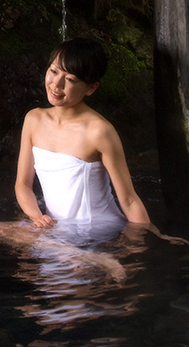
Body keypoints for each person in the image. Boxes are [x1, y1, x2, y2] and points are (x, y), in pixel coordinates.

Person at [15, 37, 151, 231]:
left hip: (94, 229)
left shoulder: (99, 131)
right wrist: (36, 217)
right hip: (54, 226)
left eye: (70, 79)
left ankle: (96, 257)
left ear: (91, 88)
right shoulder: (33, 120)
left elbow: (129, 200)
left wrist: (147, 238)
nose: (56, 84)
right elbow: (22, 184)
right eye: (53, 71)